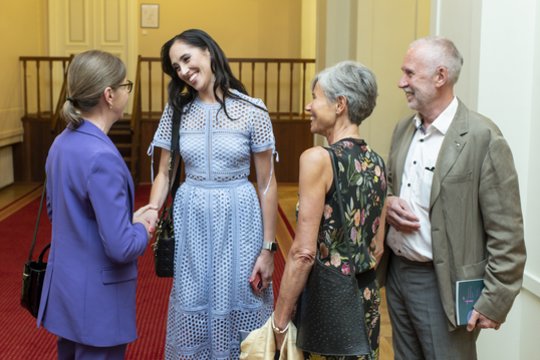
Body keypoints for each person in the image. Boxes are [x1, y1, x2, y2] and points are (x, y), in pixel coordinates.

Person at [382, 36, 527, 359]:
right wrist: (388, 202)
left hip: (444, 286)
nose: (400, 82)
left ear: (440, 77)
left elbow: (508, 232)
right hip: (398, 275)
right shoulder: (403, 129)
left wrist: (495, 300)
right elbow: (391, 187)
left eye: (409, 73)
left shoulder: (482, 137)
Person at [146, 29, 278, 359]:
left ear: (207, 51)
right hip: (193, 220)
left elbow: (267, 183)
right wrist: (151, 207)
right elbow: (164, 171)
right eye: (176, 67)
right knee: (192, 300)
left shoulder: (252, 110)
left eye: (187, 59)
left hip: (240, 218)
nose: (183, 72)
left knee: (241, 298)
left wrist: (268, 248)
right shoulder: (177, 111)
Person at [37, 50, 157, 359]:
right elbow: (120, 248)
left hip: (66, 291)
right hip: (98, 300)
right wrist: (142, 228)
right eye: (125, 85)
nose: (127, 92)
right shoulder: (102, 155)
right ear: (109, 95)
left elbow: (61, 213)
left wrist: (123, 218)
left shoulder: (62, 142)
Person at [272, 61, 387, 359]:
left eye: (315, 97)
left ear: (340, 104)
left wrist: (279, 322)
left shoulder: (318, 159)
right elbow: (376, 248)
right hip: (364, 304)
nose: (309, 106)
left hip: (329, 306)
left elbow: (302, 253)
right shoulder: (377, 163)